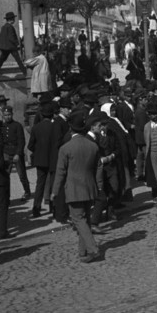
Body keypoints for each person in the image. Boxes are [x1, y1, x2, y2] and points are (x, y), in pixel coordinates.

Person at [52, 112, 102, 263]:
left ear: (70, 128)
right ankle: (83, 251)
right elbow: (98, 167)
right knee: (84, 219)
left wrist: (55, 192)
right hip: (90, 187)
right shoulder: (93, 146)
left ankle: (93, 248)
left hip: (74, 189)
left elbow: (60, 172)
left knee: (78, 220)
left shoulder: (65, 148)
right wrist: (99, 186)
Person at [28, 102, 58, 217]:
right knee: (52, 184)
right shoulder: (55, 127)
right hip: (52, 159)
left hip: (40, 160)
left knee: (39, 185)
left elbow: (30, 145)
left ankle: (36, 208)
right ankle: (53, 208)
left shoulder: (36, 128)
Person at [1, 105, 31, 200]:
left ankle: (27, 192)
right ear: (3, 116)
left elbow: (21, 141)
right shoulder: (2, 126)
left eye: (9, 114)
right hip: (6, 152)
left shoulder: (17, 125)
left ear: (12, 114)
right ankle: (6, 195)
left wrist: (18, 153)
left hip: (16, 151)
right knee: (5, 176)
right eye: (5, 115)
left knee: (22, 175)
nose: (7, 117)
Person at [0, 12, 26, 79]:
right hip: (11, 47)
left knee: (0, 60)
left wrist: (1, 45)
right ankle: (25, 72)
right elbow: (11, 37)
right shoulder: (10, 27)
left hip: (4, 48)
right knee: (18, 60)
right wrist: (17, 44)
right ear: (11, 19)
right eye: (13, 19)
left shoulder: (4, 27)